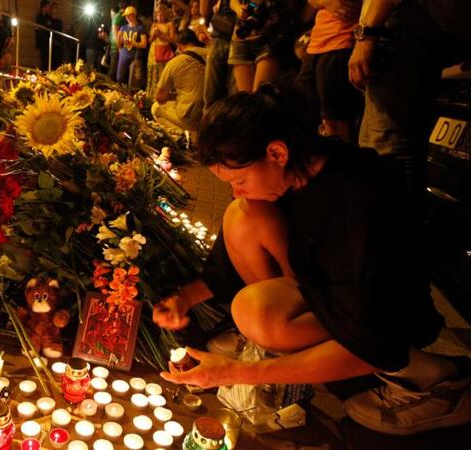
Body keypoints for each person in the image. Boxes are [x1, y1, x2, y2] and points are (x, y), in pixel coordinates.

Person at [153, 84, 471, 436]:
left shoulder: (356, 203)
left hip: (387, 318)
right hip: (327, 294)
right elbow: (228, 265)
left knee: (254, 312)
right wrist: (183, 299)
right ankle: (283, 351)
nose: (235, 189)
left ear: (276, 152)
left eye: (240, 179)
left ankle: (439, 383)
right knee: (242, 214)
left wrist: (235, 372)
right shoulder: (299, 171)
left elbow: (371, 333)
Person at [349, 0, 471, 196]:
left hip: (411, 27)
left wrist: (367, 35)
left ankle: (398, 224)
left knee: (386, 151)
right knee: (378, 148)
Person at [295, 0, 362, 142]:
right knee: (302, 114)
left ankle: (340, 162)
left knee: (336, 121)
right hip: (316, 44)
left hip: (341, 41)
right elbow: (306, 12)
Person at [151, 29, 206, 135]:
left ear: (179, 45)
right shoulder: (213, 55)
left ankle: (184, 136)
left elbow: (160, 97)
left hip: (191, 118)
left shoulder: (175, 62)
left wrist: (174, 96)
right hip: (214, 115)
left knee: (156, 108)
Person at [202, 0, 237, 109]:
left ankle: (211, 122)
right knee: (234, 96)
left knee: (212, 95)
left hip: (232, 39)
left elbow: (204, 10)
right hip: (235, 37)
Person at [147, 2, 177, 101]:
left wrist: (161, 35)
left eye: (162, 13)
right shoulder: (154, 24)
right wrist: (154, 35)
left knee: (163, 75)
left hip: (165, 52)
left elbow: (173, 39)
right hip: (154, 52)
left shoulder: (170, 24)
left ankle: (164, 97)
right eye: (158, 13)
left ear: (165, 13)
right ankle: (152, 98)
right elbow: (149, 40)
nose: (160, 15)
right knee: (154, 74)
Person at [116, 5, 147, 87]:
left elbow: (144, 44)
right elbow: (118, 44)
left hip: (135, 56)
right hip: (124, 55)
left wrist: (133, 43)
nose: (127, 17)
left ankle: (132, 97)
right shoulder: (123, 28)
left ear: (134, 15)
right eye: (126, 16)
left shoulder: (140, 28)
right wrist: (119, 39)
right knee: (120, 78)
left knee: (133, 81)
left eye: (129, 15)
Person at [35, 0, 52, 70]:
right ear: (44, 7)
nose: (49, 9)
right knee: (43, 59)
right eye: (48, 7)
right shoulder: (39, 17)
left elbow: (50, 26)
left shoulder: (48, 17)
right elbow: (38, 30)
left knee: (47, 59)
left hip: (48, 40)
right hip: (42, 41)